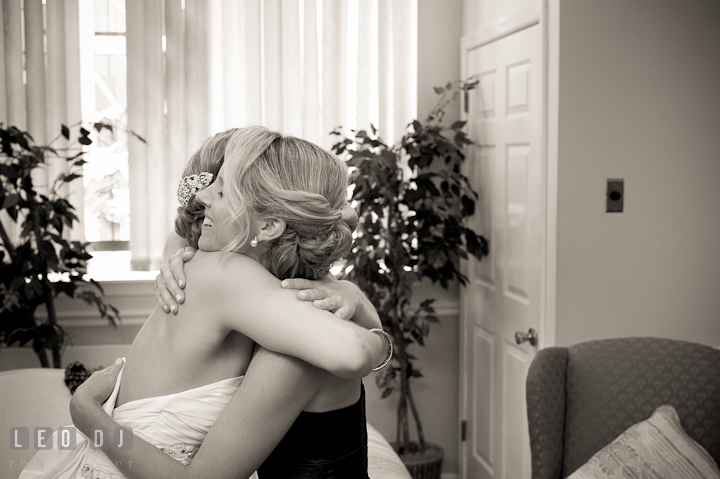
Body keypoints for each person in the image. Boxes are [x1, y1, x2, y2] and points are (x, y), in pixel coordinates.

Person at [21, 127, 390, 479]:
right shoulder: (226, 274)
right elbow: (354, 353)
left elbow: (350, 355)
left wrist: (87, 414)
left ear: (268, 227)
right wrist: (379, 335)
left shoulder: (233, 278)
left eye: (223, 190)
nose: (200, 197)